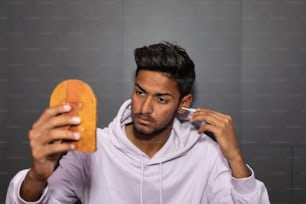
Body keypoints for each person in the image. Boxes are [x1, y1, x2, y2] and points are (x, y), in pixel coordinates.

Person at [6, 42, 270, 203]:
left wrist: (234, 157)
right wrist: (37, 177)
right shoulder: (93, 150)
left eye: (162, 99)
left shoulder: (205, 154)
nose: (144, 108)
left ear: (183, 102)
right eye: (140, 92)